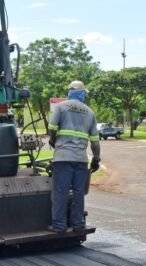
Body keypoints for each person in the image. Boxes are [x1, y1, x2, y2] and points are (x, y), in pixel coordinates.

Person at [48, 80, 101, 233]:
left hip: (62, 158)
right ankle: (78, 225)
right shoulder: (89, 112)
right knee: (79, 193)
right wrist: (96, 159)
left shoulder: (60, 107)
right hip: (81, 160)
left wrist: (53, 140)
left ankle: (59, 226)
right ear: (82, 94)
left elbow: (52, 128)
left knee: (60, 192)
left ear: (69, 93)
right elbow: (95, 142)